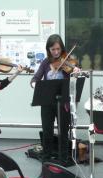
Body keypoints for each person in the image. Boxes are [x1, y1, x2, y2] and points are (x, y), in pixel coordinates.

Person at [30, 34, 80, 165]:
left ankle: (63, 159)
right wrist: (36, 85)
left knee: (64, 132)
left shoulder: (68, 61)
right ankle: (46, 160)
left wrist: (75, 73)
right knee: (47, 132)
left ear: (62, 48)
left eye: (58, 49)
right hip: (47, 103)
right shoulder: (46, 62)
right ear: (48, 49)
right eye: (53, 49)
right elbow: (35, 79)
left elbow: (74, 81)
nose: (56, 52)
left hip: (63, 103)